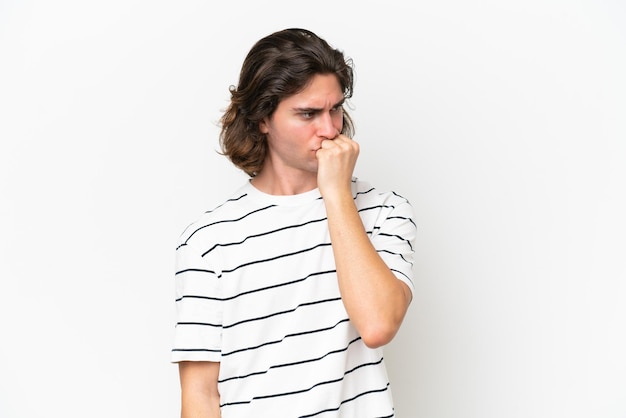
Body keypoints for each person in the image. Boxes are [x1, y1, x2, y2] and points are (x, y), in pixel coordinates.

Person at [171, 28, 416, 418]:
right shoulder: (209, 240)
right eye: (308, 114)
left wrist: (334, 194)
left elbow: (377, 324)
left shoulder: (383, 211)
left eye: (335, 109)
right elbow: (200, 394)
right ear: (263, 119)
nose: (330, 129)